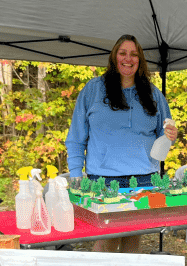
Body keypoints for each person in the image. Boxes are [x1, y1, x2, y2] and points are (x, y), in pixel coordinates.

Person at [65, 35, 178, 253]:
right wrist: (76, 175)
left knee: (132, 241)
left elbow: (163, 141)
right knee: (106, 241)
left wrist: (170, 135)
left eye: (134, 54)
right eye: (123, 53)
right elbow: (76, 137)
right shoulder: (93, 89)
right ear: (114, 57)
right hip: (103, 180)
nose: (128, 59)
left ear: (140, 60)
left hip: (144, 180)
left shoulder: (154, 94)